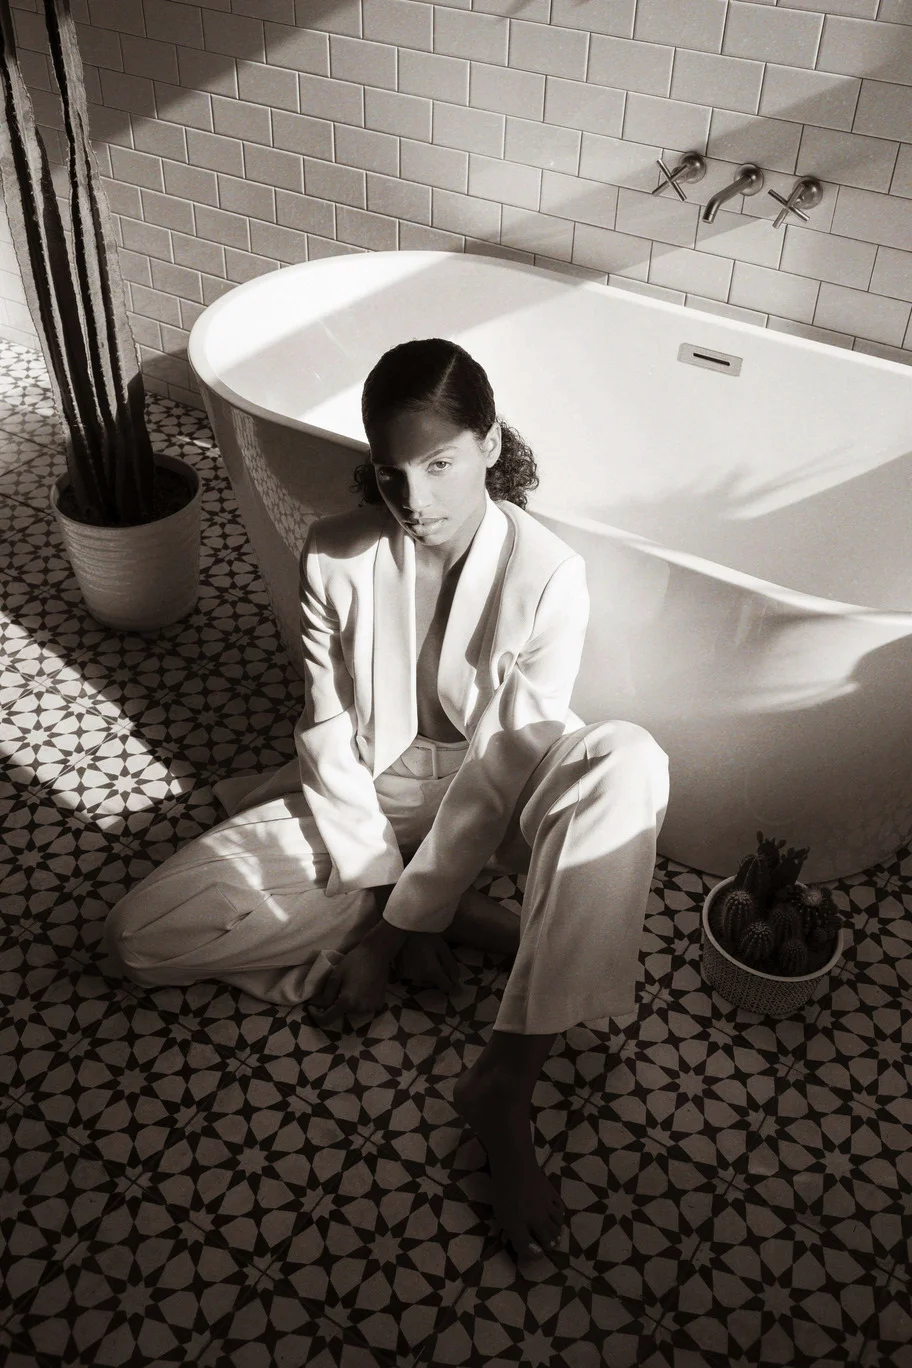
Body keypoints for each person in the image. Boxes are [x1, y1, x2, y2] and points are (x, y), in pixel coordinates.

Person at [103, 337, 670, 1262]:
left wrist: (392, 934)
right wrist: (384, 896)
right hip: (370, 801)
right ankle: (462, 918)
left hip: (503, 800)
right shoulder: (337, 553)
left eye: (440, 464)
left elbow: (503, 766)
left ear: (490, 444)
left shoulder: (547, 573)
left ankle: (504, 1082)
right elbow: (327, 736)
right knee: (141, 938)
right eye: (391, 472)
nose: (415, 498)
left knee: (628, 761)